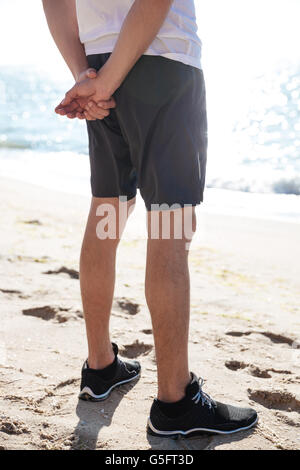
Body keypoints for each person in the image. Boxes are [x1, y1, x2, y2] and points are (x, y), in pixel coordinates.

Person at [42, 0, 258, 438]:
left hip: (100, 63)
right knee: (171, 227)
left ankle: (100, 367)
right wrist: (106, 82)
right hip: (159, 65)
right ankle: (176, 403)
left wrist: (88, 77)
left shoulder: (96, 74)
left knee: (108, 209)